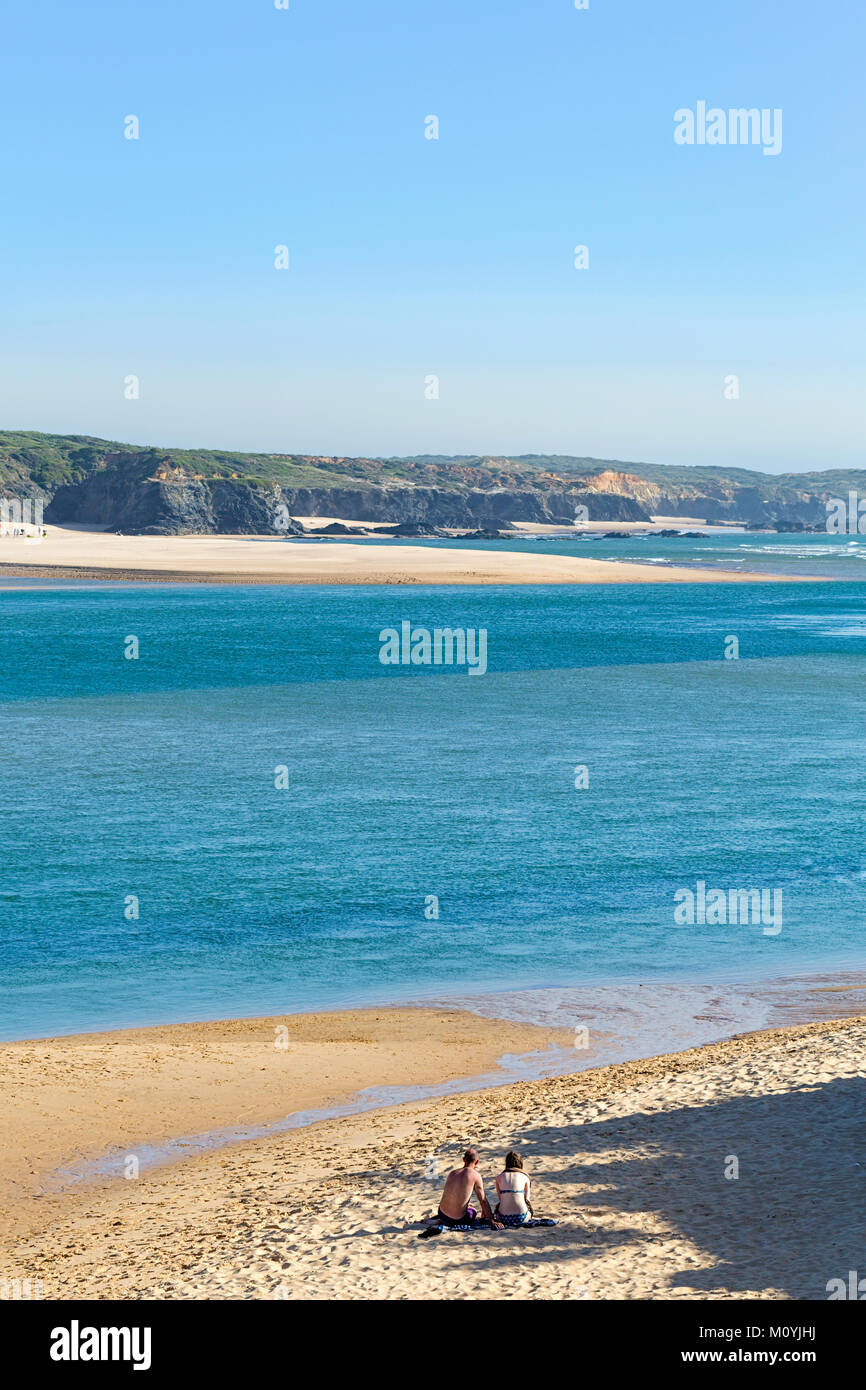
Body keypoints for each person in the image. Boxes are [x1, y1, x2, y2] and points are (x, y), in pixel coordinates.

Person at [436, 1148, 503, 1229]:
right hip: (457, 1220)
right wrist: (492, 1220)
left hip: (441, 1214)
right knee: (473, 1211)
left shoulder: (452, 1173)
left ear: (463, 1160)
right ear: (477, 1162)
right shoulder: (475, 1176)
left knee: (466, 1206)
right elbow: (483, 1201)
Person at [494, 1150, 534, 1227]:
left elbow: (500, 1199)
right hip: (521, 1217)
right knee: (529, 1211)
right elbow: (527, 1200)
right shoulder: (525, 1177)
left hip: (503, 1218)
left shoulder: (499, 1178)